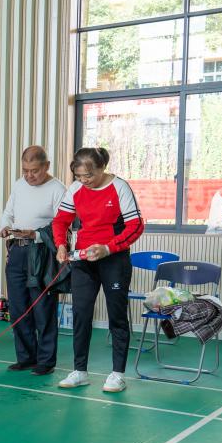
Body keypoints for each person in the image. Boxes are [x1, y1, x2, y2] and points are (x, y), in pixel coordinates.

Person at [53, 147, 144, 393]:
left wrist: (107, 248)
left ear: (102, 167)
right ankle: (79, 371)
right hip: (84, 260)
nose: (84, 181)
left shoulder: (119, 187)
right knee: (81, 314)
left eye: (89, 175)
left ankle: (117, 374)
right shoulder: (76, 189)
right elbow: (60, 220)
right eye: (79, 176)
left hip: (113, 259)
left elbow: (136, 226)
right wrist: (61, 244)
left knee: (117, 316)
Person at [0, 146, 67, 376]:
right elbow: (8, 212)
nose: (29, 175)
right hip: (17, 251)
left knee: (43, 308)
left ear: (46, 166)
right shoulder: (19, 185)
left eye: (34, 171)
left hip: (41, 253)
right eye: (25, 170)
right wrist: (5, 226)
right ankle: (26, 358)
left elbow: (62, 225)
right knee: (18, 307)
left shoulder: (58, 189)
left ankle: (46, 361)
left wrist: (35, 234)